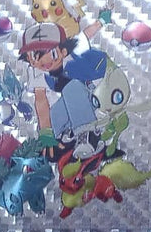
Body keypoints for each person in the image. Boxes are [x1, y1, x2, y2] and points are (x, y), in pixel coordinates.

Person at [19, 20, 108, 159]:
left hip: (98, 91)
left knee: (71, 87)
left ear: (63, 50)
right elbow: (41, 100)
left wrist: (101, 21)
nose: (44, 62)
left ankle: (89, 135)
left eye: (52, 54)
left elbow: (86, 34)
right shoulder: (37, 72)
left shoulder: (74, 51)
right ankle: (62, 139)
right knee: (50, 121)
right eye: (35, 58)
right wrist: (46, 133)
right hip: (73, 101)